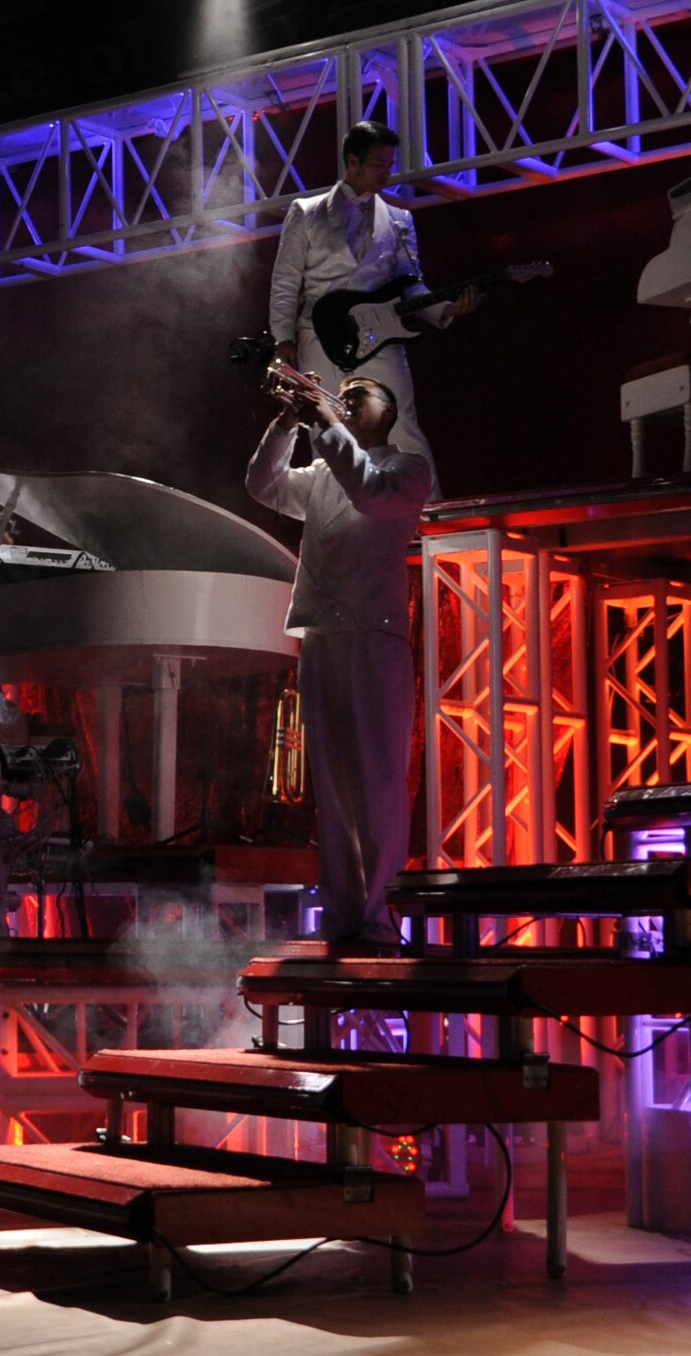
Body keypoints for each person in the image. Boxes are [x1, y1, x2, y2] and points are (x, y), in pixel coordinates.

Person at [248, 375, 432, 948]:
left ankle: (377, 916)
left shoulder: (407, 469)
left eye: (359, 396)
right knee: (333, 785)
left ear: (389, 412)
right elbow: (263, 486)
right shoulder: (328, 465)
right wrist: (286, 424)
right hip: (324, 637)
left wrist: (325, 425)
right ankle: (345, 915)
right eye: (342, 394)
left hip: (374, 641)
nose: (345, 400)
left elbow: (368, 490)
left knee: (375, 781)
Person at [268, 119, 480, 467]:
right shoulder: (306, 212)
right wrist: (282, 338)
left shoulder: (399, 219)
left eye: (390, 165)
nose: (386, 173)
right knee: (327, 429)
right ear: (353, 161)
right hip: (320, 336)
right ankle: (334, 518)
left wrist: (444, 309)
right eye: (378, 164)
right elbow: (286, 280)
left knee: (400, 425)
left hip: (380, 333)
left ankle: (424, 516)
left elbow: (410, 283)